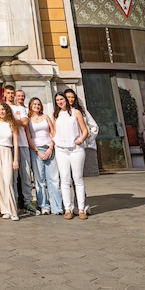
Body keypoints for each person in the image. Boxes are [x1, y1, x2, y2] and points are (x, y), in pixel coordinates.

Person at [54, 90, 90, 219]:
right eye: (57, 100)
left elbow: (85, 130)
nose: (60, 102)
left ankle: (81, 209)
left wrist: (80, 140)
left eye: (61, 99)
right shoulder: (55, 115)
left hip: (76, 149)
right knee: (64, 179)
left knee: (78, 179)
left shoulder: (76, 112)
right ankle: (67, 209)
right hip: (61, 150)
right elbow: (53, 131)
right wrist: (55, 141)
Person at [26, 97, 64, 216]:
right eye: (34, 104)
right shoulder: (28, 119)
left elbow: (53, 133)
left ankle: (56, 207)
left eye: (38, 104)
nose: (36, 106)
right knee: (40, 180)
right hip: (36, 151)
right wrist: (38, 151)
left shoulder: (46, 117)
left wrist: (51, 148)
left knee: (53, 179)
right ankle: (44, 206)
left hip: (49, 149)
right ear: (30, 106)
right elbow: (29, 137)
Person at [0, 100, 21, 221]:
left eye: (3, 109)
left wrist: (15, 159)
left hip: (7, 151)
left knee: (8, 181)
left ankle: (13, 210)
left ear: (7, 110)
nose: (1, 112)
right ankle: (5, 209)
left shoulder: (12, 123)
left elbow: (16, 143)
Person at [11, 88, 37, 214]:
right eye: (17, 95)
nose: (19, 97)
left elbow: (25, 122)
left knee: (26, 175)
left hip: (24, 145)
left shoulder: (22, 109)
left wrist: (11, 121)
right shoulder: (5, 107)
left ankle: (28, 202)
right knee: (13, 177)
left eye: (22, 96)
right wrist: (18, 122)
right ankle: (15, 203)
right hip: (10, 146)